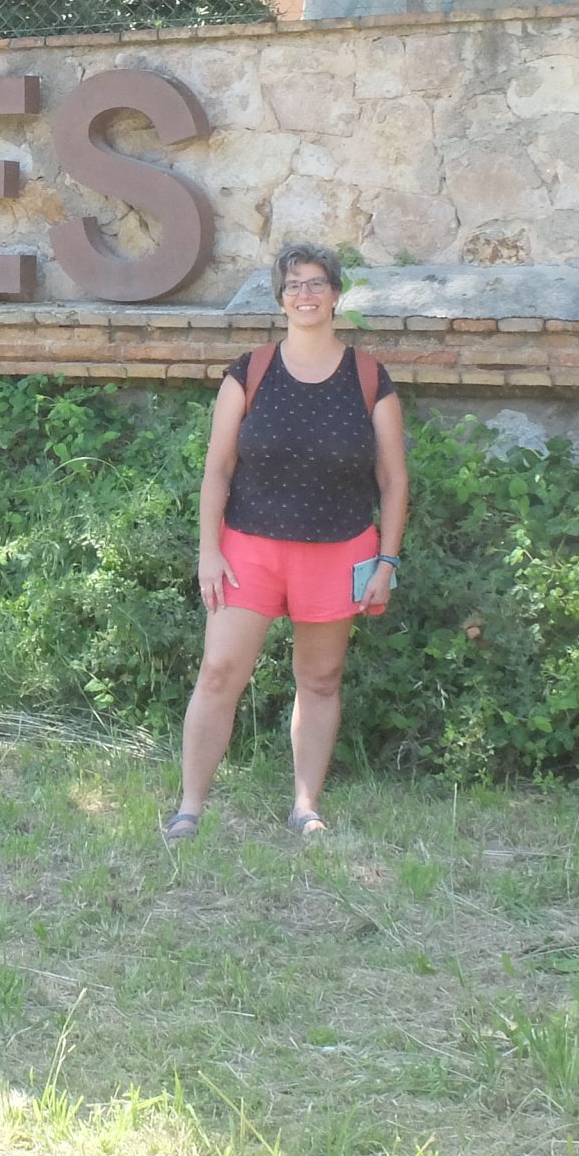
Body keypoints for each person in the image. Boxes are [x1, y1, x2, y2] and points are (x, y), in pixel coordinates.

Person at [164, 242, 408, 842]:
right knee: (218, 673)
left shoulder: (369, 378)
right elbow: (217, 471)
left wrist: (387, 561)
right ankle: (189, 809)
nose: (306, 294)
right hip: (247, 549)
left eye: (317, 283)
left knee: (320, 680)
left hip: (340, 550)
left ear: (336, 294)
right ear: (280, 299)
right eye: (294, 284)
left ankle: (305, 806)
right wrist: (208, 551)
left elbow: (394, 480)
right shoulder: (249, 372)